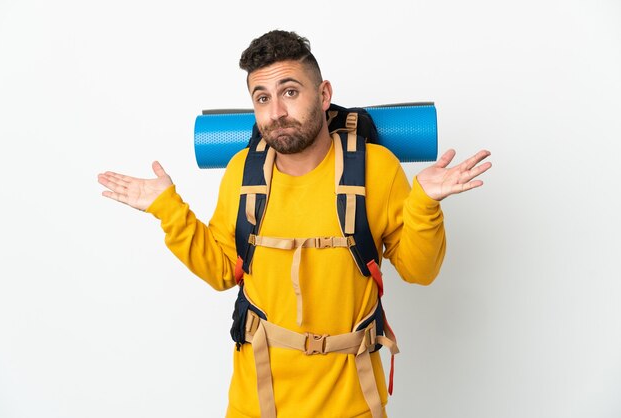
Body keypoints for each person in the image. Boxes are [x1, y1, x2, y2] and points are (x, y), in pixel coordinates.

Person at [98, 30, 491, 418]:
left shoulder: (377, 169)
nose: (276, 113)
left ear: (323, 95)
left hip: (353, 406)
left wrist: (424, 203)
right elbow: (221, 270)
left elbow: (420, 271)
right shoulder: (241, 173)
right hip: (255, 404)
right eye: (262, 98)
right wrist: (167, 208)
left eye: (290, 92)